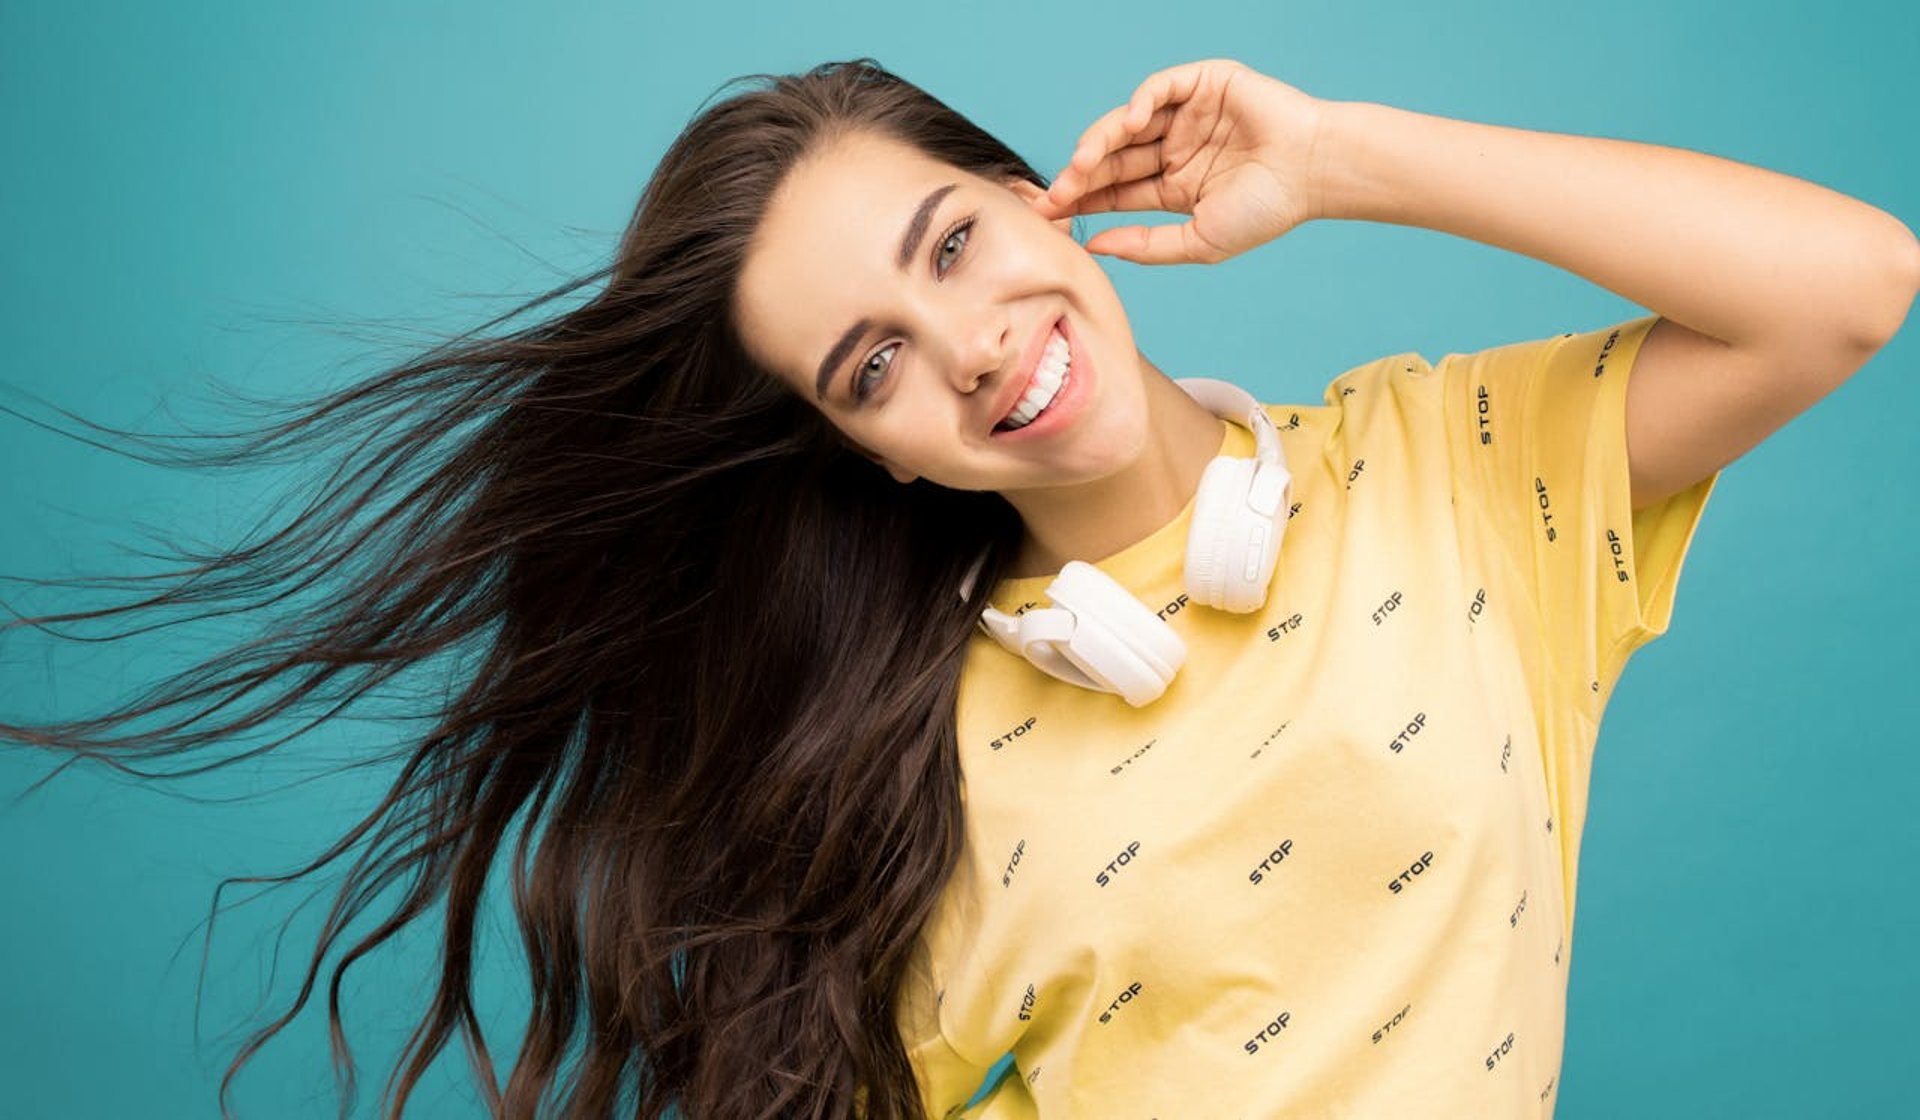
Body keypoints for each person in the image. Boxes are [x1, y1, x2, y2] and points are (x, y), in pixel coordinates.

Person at [1, 55, 1914, 1119]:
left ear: (1039, 195)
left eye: (953, 243)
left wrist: (1340, 156)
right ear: (880, 457)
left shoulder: (1455, 474)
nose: (974, 345)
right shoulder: (897, 776)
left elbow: (1847, 287)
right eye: (873, 366)